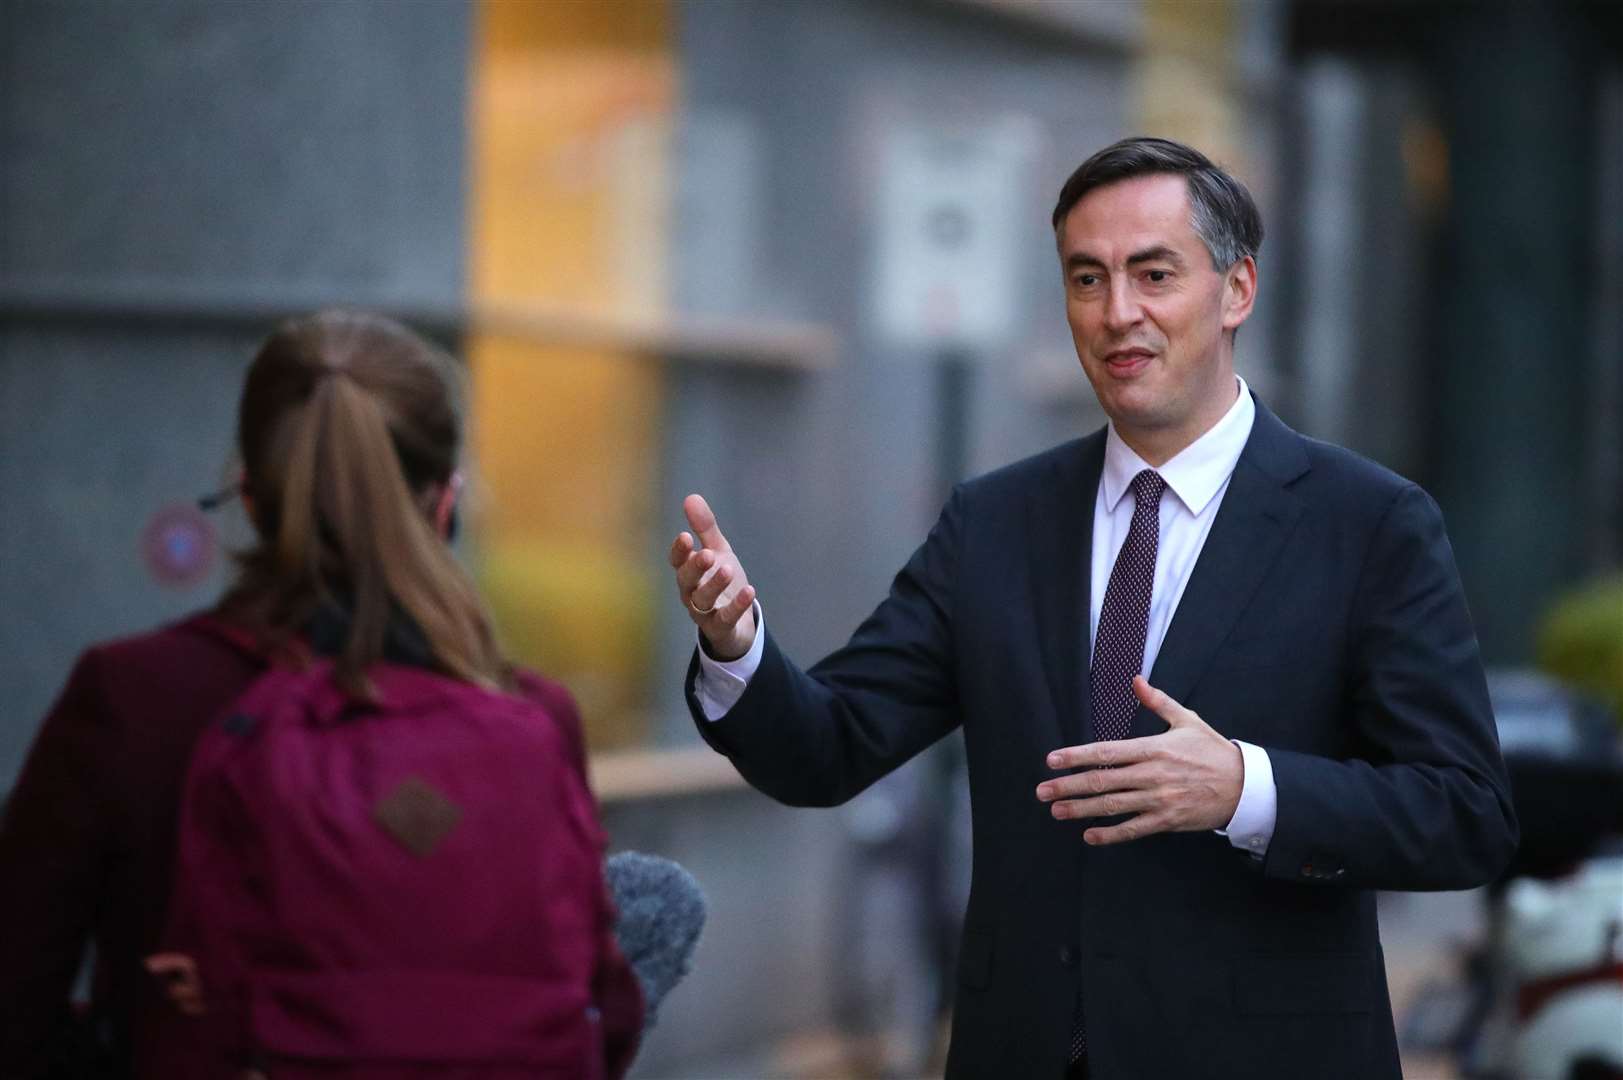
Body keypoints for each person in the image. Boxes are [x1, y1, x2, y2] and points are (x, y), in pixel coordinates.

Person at [667, 137, 1517, 1079]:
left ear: (1236, 290)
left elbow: (1463, 812)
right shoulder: (993, 522)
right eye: (1086, 278)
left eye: (1153, 274)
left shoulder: (1368, 524)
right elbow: (826, 748)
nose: (1118, 314)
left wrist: (1244, 789)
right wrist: (736, 644)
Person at [0, 311, 643, 1078]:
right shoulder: (531, 716)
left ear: (249, 495)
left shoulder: (131, 698)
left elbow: (14, 1012)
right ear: (447, 504)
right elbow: (604, 1016)